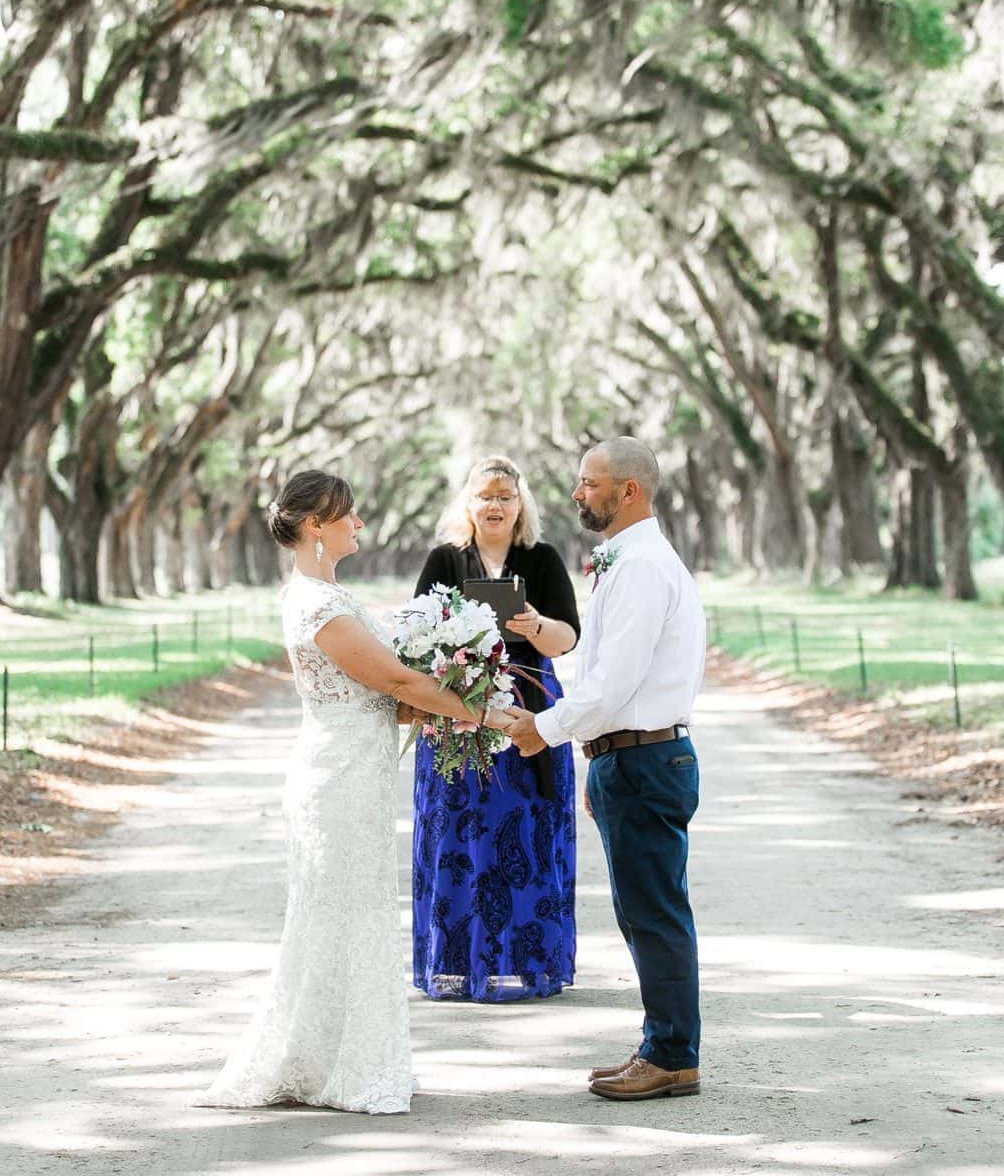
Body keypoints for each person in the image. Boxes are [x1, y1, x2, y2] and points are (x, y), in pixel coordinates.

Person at [195, 470, 522, 1115]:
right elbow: (397, 680)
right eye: (348, 514)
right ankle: (332, 1064)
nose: (360, 525)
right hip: (336, 778)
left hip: (357, 770)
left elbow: (384, 695)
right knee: (338, 914)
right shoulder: (316, 603)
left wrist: (447, 702)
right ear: (315, 525)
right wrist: (485, 713)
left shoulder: (329, 592)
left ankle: (342, 1056)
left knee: (354, 912)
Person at [503, 437, 707, 1102]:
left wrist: (548, 730)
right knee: (643, 912)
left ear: (630, 492)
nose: (576, 493)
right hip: (631, 757)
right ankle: (661, 1045)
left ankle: (673, 1055)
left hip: (646, 757)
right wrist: (597, 759)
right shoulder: (630, 560)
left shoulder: (645, 567)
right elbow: (607, 672)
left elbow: (616, 681)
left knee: (655, 914)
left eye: (590, 483)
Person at [409, 456, 581, 1002]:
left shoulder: (543, 559)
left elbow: (567, 639)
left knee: (527, 832)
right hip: (456, 712)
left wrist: (535, 625)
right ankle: (458, 962)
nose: (495, 505)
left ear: (521, 504)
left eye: (506, 496)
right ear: (468, 503)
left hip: (528, 709)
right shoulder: (444, 560)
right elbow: (415, 638)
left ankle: (531, 962)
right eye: (485, 495)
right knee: (457, 833)